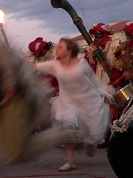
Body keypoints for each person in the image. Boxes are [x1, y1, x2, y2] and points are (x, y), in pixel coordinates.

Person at [0, 20, 76, 178]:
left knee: (16, 154)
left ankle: (61, 135)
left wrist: (9, 86)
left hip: (11, 101)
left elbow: (4, 64)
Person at [34, 38, 110, 171]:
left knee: (93, 134)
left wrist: (105, 91)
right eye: (57, 47)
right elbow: (34, 67)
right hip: (66, 103)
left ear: (69, 51)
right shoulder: (54, 65)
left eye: (61, 47)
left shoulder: (82, 64)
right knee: (68, 125)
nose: (57, 49)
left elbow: (94, 81)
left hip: (86, 101)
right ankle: (70, 161)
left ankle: (91, 142)